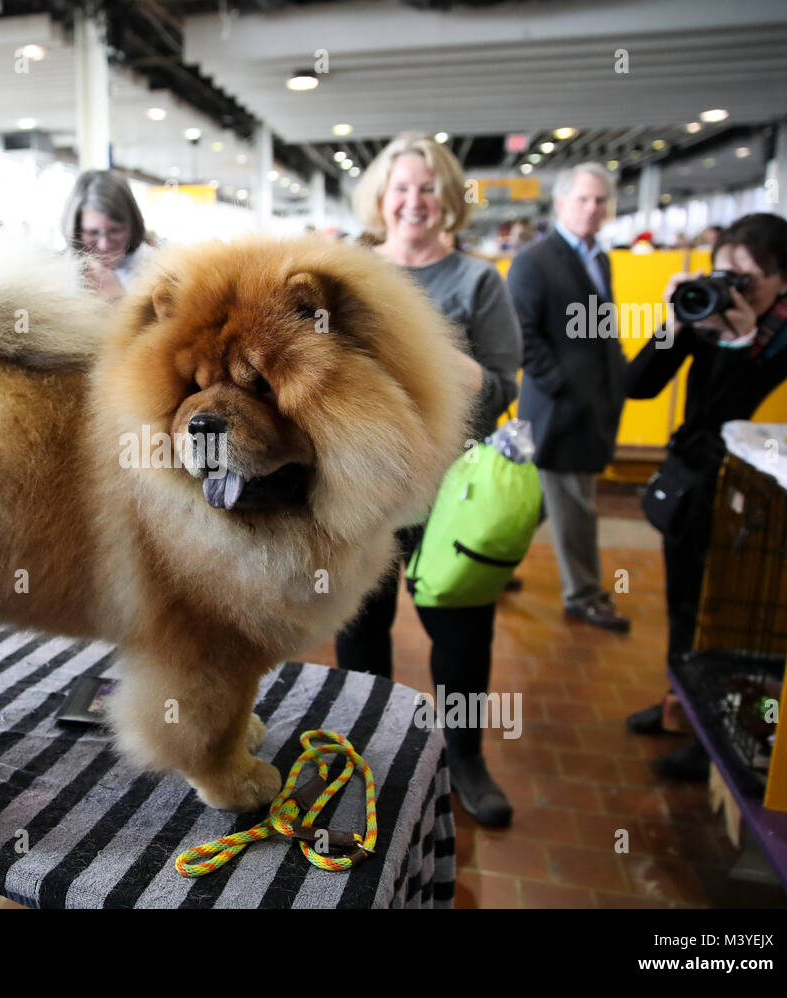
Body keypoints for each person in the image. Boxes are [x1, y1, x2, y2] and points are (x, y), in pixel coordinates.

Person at [345, 132, 523, 826]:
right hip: (367, 484)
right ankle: (363, 749)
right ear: (381, 198)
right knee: (360, 625)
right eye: (400, 189)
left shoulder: (478, 282)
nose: (413, 201)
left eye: (426, 188)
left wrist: (433, 352)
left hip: (453, 493)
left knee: (461, 632)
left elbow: (502, 387)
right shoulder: (355, 273)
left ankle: (464, 758)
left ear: (447, 197)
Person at [624, 213, 787, 779]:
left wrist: (737, 343)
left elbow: (734, 421)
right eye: (723, 275)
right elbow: (637, 385)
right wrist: (674, 323)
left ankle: (717, 733)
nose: (734, 290)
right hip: (695, 496)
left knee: (731, 623)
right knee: (684, 607)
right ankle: (678, 705)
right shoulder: (702, 318)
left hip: (760, 507)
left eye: (748, 279)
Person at [509, 163, 631, 633]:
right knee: (575, 503)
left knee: (542, 502)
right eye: (583, 199)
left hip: (591, 402)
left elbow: (600, 330)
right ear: (560, 203)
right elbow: (521, 332)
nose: (592, 208)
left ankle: (487, 562)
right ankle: (585, 594)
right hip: (557, 407)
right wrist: (561, 383)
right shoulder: (535, 261)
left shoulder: (600, 259)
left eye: (600, 200)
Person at [62, 170, 156, 301]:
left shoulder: (154, 269)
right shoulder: (62, 274)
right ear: (76, 230)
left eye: (114, 231)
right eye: (92, 232)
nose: (104, 245)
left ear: (132, 226)